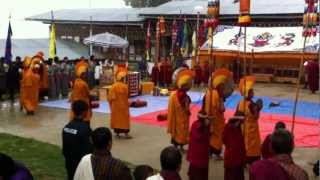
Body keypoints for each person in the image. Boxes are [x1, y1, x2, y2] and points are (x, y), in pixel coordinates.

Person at [204, 68, 233, 159]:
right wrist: (221, 101)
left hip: (208, 118)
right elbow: (222, 109)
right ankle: (216, 153)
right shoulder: (218, 96)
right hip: (217, 120)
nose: (224, 88)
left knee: (210, 135)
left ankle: (209, 153)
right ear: (220, 86)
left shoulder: (208, 92)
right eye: (223, 87)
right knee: (217, 136)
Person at [62, 100, 93, 180]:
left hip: (69, 163)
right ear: (84, 112)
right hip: (81, 164)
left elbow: (65, 148)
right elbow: (89, 149)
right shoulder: (85, 129)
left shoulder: (66, 127)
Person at [167, 68, 194, 151]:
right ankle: (178, 146)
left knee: (180, 131)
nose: (188, 86)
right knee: (179, 131)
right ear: (182, 85)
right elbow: (175, 109)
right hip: (179, 118)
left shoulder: (180, 95)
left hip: (180, 118)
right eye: (186, 85)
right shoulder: (178, 95)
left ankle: (179, 145)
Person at [236, 76, 262, 164]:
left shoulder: (240, 102)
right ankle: (251, 161)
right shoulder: (252, 104)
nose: (253, 93)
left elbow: (237, 115)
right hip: (252, 129)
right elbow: (256, 116)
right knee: (252, 146)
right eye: (251, 91)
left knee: (244, 143)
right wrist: (258, 108)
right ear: (248, 93)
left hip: (243, 127)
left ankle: (244, 159)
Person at [107, 67, 131, 138]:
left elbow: (109, 98)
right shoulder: (125, 86)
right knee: (124, 119)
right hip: (123, 106)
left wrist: (111, 104)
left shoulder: (113, 86)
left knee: (117, 119)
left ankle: (117, 134)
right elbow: (127, 95)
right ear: (122, 78)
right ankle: (126, 134)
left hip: (116, 107)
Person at [187, 110, 210, 180]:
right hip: (201, 158)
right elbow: (203, 137)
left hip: (193, 157)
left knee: (194, 174)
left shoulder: (194, 124)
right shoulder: (204, 129)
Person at [223, 115, 246, 180]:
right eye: (239, 122)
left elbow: (242, 146)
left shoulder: (238, 130)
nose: (239, 124)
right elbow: (224, 140)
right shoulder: (228, 128)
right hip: (231, 160)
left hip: (238, 161)